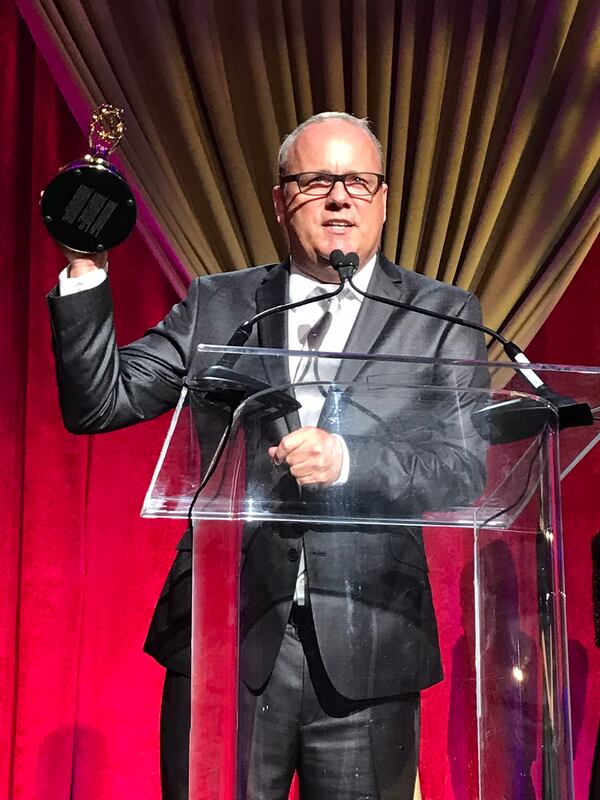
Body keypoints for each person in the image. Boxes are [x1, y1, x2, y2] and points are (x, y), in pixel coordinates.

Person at [47, 112, 488, 799]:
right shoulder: (219, 304)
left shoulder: (443, 316)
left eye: (358, 182)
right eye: (316, 181)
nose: (339, 197)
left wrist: (347, 461)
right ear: (281, 200)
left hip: (369, 649)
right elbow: (101, 401)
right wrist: (84, 264)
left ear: (382, 199)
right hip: (228, 638)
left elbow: (462, 466)